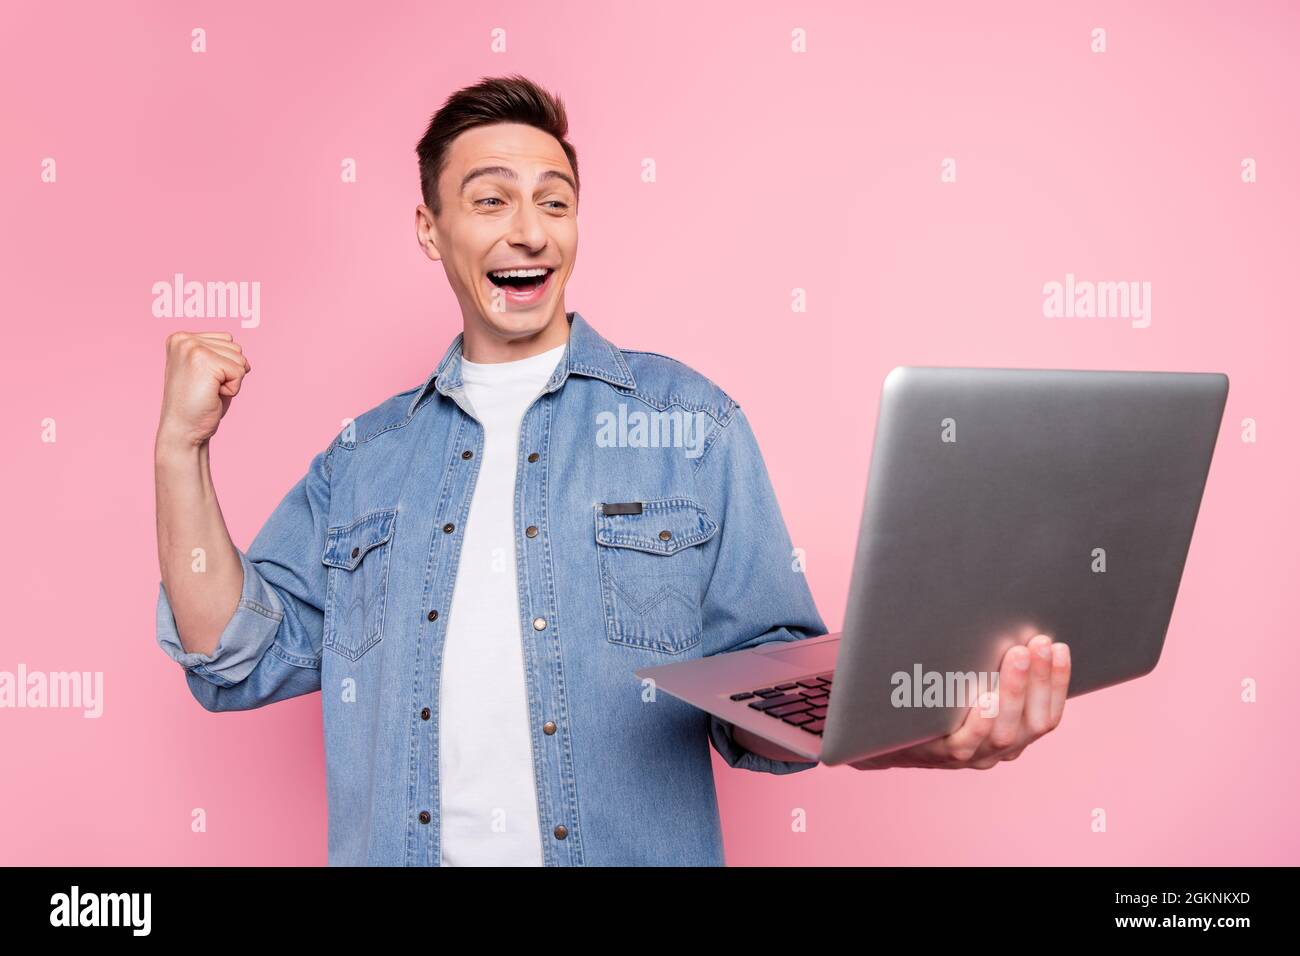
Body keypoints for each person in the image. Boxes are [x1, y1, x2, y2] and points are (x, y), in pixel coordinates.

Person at [153, 74, 1070, 866]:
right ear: (430, 231)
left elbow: (768, 700)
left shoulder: (689, 424)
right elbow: (233, 660)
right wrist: (180, 451)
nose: (530, 233)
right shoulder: (363, 461)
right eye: (490, 201)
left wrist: (911, 731)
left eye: (555, 201)